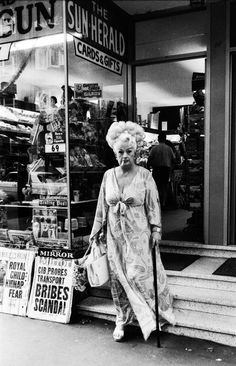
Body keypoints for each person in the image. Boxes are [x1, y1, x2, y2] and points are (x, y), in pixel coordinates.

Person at [89, 121, 175, 342]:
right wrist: (97, 231)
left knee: (138, 275)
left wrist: (156, 229)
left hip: (140, 235)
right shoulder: (108, 175)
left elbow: (153, 204)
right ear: (114, 152)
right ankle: (121, 319)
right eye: (120, 152)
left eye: (129, 152)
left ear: (135, 151)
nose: (124, 156)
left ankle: (152, 313)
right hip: (115, 236)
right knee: (117, 280)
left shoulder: (145, 175)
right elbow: (102, 205)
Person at [147, 132, 176, 209]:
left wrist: (147, 168)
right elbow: (174, 160)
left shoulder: (154, 149)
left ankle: (157, 202)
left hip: (156, 169)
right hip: (166, 169)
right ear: (165, 139)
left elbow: (149, 159)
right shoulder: (169, 149)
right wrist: (171, 168)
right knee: (164, 186)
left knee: (156, 186)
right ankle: (163, 203)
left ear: (158, 139)